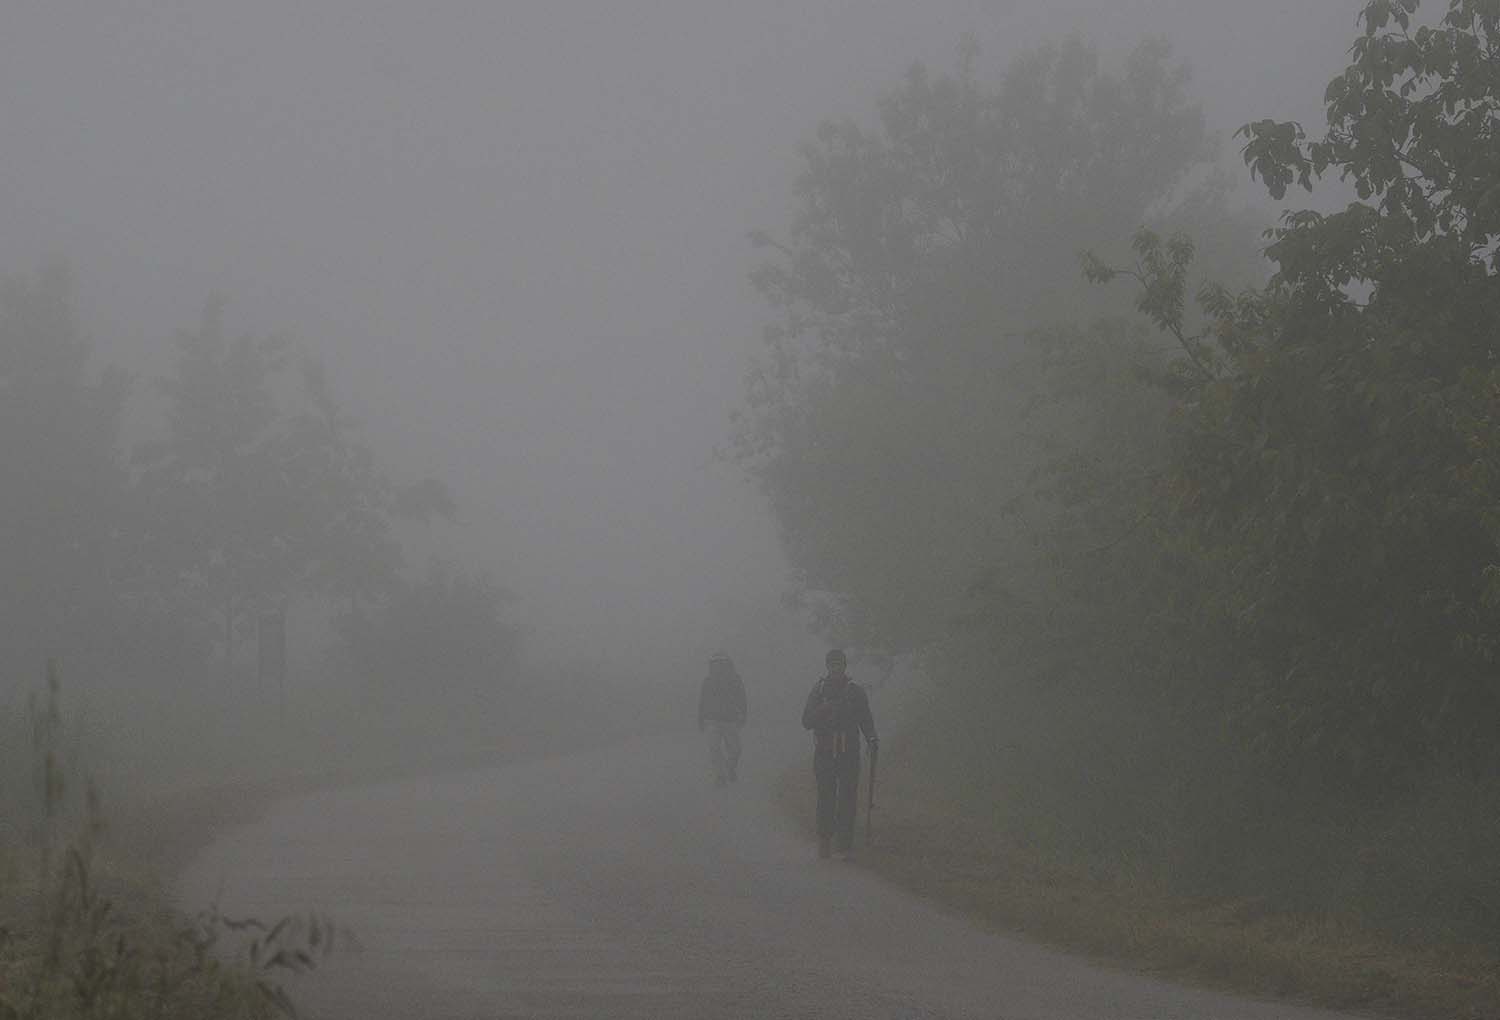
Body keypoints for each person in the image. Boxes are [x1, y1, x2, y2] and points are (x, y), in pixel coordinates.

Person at [801, 648, 878, 860]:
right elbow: (806, 721)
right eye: (833, 664)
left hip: (849, 752)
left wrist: (871, 738)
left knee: (848, 798)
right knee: (826, 797)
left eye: (839, 664)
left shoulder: (855, 692)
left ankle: (844, 845)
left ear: (845, 666)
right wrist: (822, 710)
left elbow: (866, 720)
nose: (836, 668)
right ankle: (824, 840)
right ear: (827, 666)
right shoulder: (819, 690)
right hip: (824, 752)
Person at [698, 651, 747, 787]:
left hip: (730, 720)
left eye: (721, 663)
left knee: (736, 749)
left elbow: (742, 698)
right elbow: (702, 701)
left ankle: (730, 767)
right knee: (714, 748)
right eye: (715, 664)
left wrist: (743, 714)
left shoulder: (735, 679)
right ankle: (720, 775)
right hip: (711, 720)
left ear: (727, 664)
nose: (718, 667)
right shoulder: (707, 681)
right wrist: (700, 719)